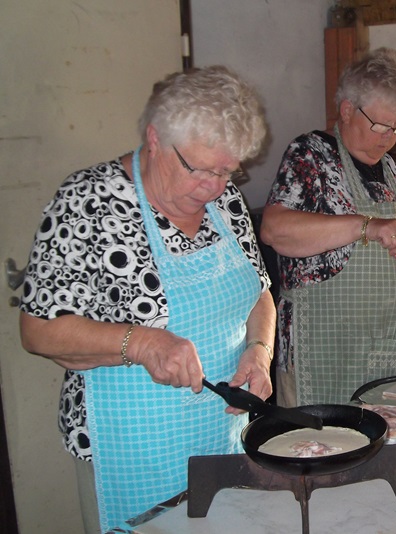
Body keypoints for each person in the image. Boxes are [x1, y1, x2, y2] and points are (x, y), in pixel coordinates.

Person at [18, 66, 274, 533]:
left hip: (221, 438)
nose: (213, 187)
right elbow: (38, 330)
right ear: (154, 138)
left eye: (227, 170)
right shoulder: (87, 201)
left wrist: (260, 351)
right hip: (131, 452)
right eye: (197, 168)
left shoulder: (227, 202)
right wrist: (143, 343)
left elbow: (259, 295)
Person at [260, 48, 396, 407]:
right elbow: (274, 230)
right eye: (380, 125)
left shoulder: (389, 168)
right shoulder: (311, 155)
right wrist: (366, 226)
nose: (388, 138)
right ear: (347, 110)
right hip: (322, 352)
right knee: (322, 450)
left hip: (384, 354)